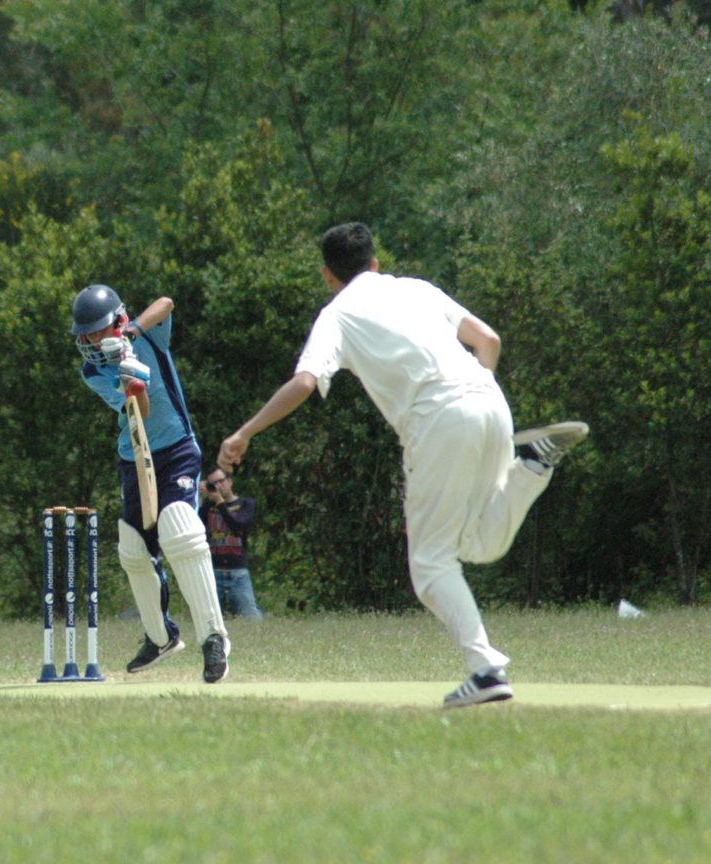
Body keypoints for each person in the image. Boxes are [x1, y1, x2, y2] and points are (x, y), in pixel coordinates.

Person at [217, 223, 588, 707]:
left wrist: (244, 432)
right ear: (374, 262)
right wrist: (475, 400)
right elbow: (488, 340)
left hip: (439, 416)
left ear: (329, 276)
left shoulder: (338, 314)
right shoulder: (415, 289)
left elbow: (305, 382)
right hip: (489, 399)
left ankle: (485, 669)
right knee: (478, 543)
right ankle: (532, 467)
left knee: (432, 566)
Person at [71, 284, 231, 683]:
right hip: (134, 455)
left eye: (98, 330)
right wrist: (130, 380)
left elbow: (167, 302)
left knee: (180, 527)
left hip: (177, 447)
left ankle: (214, 639)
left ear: (118, 321)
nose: (91, 340)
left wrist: (133, 336)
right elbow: (137, 410)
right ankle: (160, 637)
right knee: (133, 548)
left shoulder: (151, 335)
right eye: (85, 333)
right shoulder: (93, 370)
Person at [199, 467, 264, 619]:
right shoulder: (208, 507)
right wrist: (200, 498)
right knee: (210, 618)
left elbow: (238, 527)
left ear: (230, 481)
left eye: (220, 482)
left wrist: (220, 503)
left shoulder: (246, 504)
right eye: (212, 484)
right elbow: (196, 527)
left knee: (251, 618)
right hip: (213, 570)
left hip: (237, 571)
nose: (218, 487)